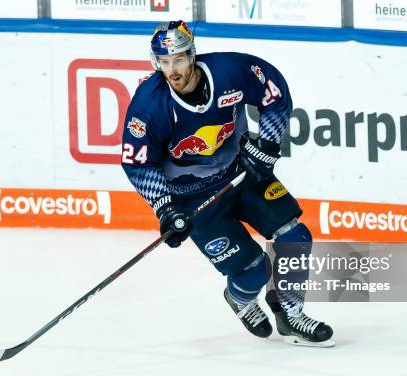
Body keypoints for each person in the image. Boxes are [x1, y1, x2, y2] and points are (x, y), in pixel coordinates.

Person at [121, 20, 334, 347]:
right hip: (192, 197)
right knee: (253, 270)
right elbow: (138, 162)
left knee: (295, 237)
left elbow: (273, 93)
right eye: (163, 62)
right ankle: (241, 299)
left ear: (192, 54)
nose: (172, 70)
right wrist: (165, 208)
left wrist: (267, 145)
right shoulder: (150, 105)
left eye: (177, 59)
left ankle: (290, 313)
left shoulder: (230, 71)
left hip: (242, 172)